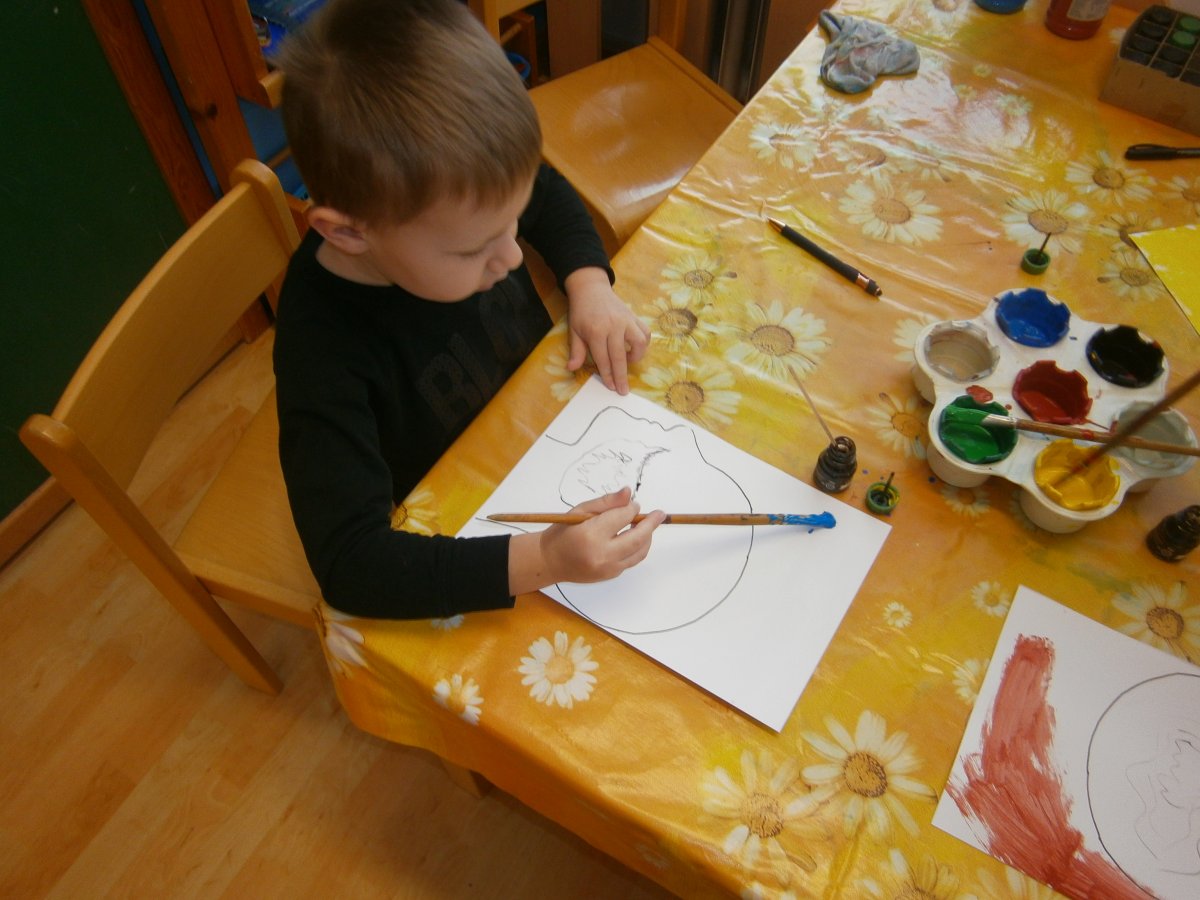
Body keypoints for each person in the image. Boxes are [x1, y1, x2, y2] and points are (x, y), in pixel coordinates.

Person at [273, 0, 664, 619]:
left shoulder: (457, 202)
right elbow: (350, 565)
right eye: (474, 249)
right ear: (348, 232)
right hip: (465, 520)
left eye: (512, 221)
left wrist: (589, 284)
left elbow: (545, 194)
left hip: (543, 422)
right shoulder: (321, 346)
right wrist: (546, 561)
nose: (513, 255)